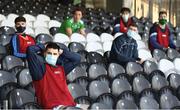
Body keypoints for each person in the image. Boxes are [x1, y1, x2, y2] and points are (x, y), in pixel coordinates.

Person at [26, 42, 81, 109]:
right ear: (44, 53)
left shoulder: (61, 68)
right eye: (49, 53)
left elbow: (77, 59)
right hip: (53, 107)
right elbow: (30, 50)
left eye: (55, 54)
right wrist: (43, 46)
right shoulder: (39, 70)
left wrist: (62, 52)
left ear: (58, 55)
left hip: (70, 104)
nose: (52, 56)